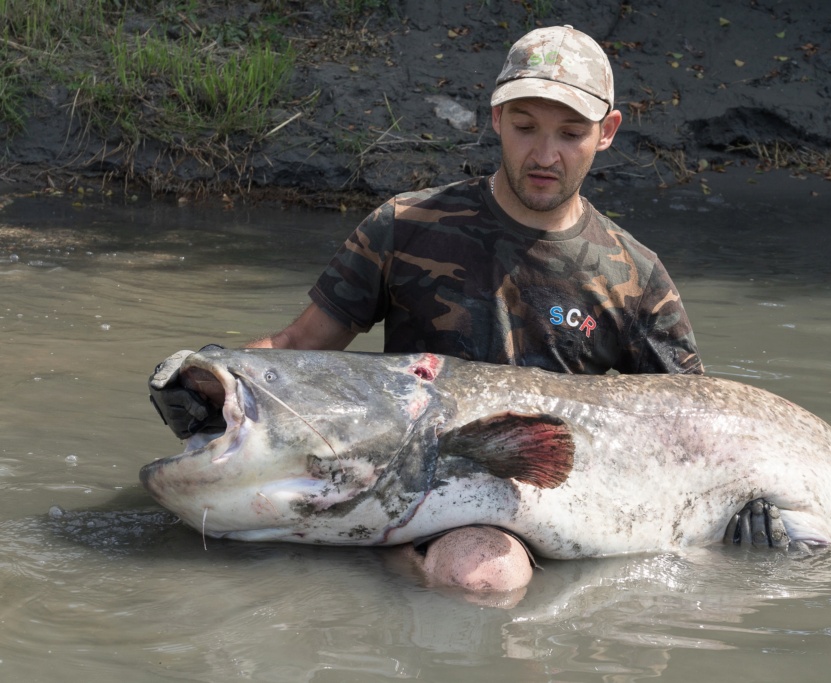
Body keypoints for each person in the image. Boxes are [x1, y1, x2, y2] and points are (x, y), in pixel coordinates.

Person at [149, 25, 703, 595]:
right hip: (423, 482)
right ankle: (388, 555)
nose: (544, 154)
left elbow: (696, 424)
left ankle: (365, 567)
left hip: (556, 493)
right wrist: (207, 376)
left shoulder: (635, 274)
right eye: (525, 127)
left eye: (570, 134)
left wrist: (747, 510)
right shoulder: (406, 225)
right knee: (486, 573)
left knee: (489, 572)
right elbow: (298, 348)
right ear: (496, 117)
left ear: (607, 132)